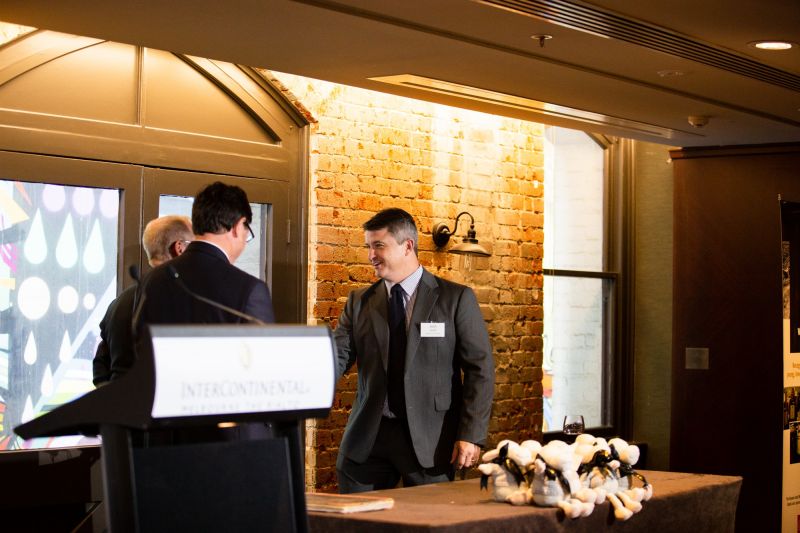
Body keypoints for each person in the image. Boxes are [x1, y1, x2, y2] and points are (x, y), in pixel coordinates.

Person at [333, 207, 494, 493]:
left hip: (431, 442)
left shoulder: (455, 299)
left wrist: (471, 434)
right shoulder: (359, 302)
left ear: (407, 246)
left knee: (429, 516)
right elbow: (336, 359)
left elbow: (479, 370)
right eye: (369, 246)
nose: (371, 255)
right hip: (368, 441)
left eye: (378, 245)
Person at [133, 181, 275, 442]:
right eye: (247, 232)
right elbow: (262, 374)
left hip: (165, 438)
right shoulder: (249, 289)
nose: (245, 240)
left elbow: (140, 354)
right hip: (229, 441)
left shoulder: (153, 280)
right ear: (238, 226)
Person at [92, 215, 193, 385]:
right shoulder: (185, 298)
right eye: (195, 246)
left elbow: (101, 367)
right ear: (180, 248)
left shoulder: (118, 303)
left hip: (119, 399)